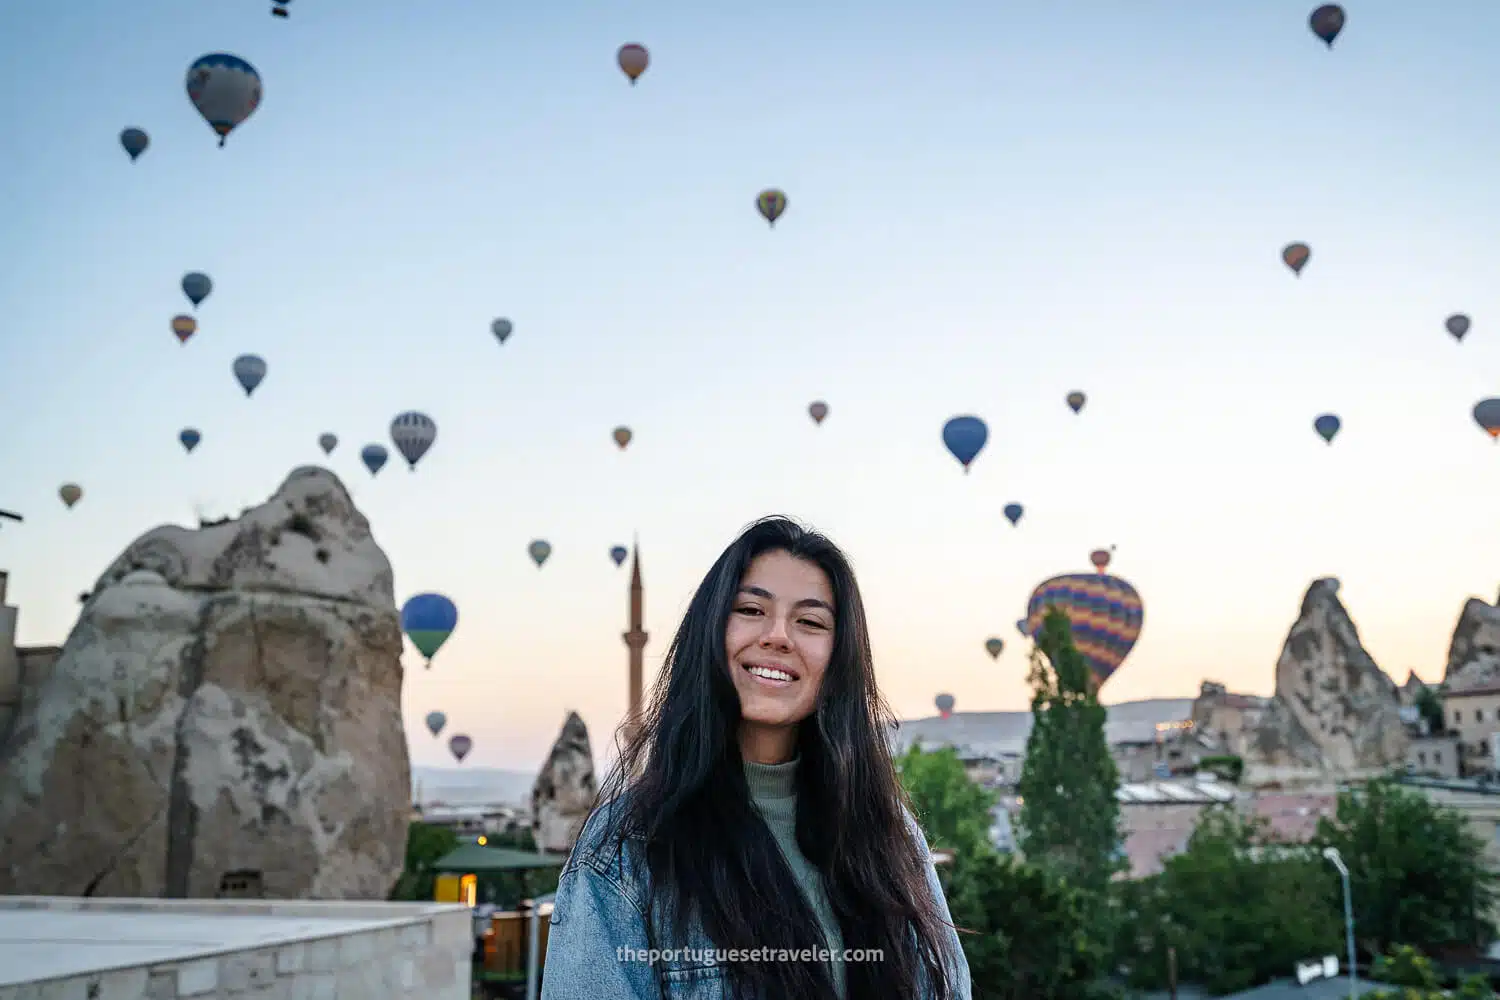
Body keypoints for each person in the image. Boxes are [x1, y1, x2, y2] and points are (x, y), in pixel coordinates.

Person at [541, 516, 971, 1000]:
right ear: (710, 631)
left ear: (839, 659)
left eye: (809, 621)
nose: (778, 636)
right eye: (750, 609)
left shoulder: (889, 841)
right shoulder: (627, 851)